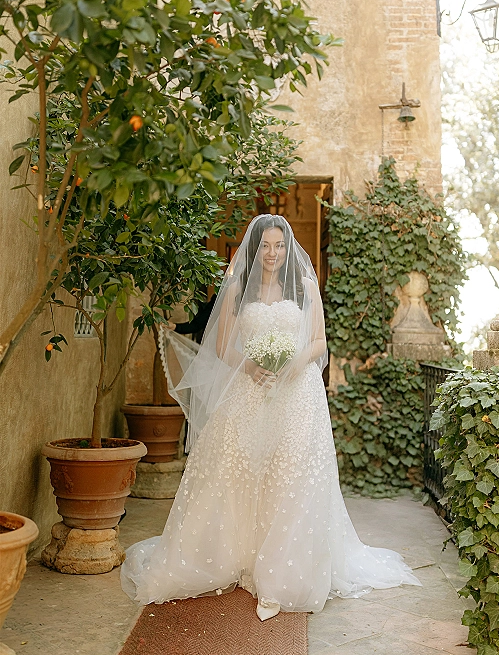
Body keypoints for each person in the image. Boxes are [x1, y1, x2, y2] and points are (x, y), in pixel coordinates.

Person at [121, 215, 420, 620]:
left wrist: (295, 360)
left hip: (296, 393)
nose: (273, 253)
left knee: (289, 475)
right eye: (265, 246)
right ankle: (234, 556)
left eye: (279, 246)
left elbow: (318, 342)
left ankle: (281, 571)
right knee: (238, 470)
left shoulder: (305, 287)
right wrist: (250, 366)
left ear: (287, 248)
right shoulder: (237, 289)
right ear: (254, 247)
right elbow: (223, 346)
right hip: (249, 390)